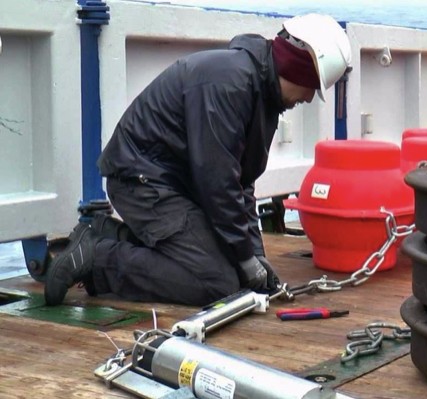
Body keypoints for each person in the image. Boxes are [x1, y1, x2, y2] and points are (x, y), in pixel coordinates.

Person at [44, 14, 352, 306]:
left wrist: (255, 256)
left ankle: (105, 234)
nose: (310, 98)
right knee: (216, 282)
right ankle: (97, 259)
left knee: (236, 271)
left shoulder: (262, 94)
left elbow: (240, 183)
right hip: (141, 180)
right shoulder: (230, 82)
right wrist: (245, 258)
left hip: (174, 185)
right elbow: (217, 182)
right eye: (312, 87)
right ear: (297, 68)